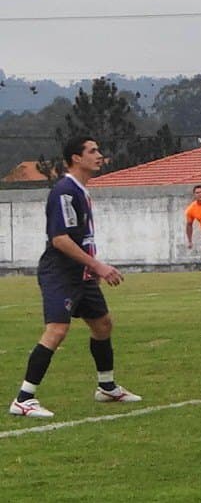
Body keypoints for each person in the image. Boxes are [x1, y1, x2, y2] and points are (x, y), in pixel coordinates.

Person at [10, 136, 139, 419]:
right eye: (92, 151)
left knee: (102, 324)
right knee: (57, 330)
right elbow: (60, 239)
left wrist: (91, 267)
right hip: (61, 273)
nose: (99, 155)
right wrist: (99, 265)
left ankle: (106, 387)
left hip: (81, 273)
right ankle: (23, 399)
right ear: (76, 158)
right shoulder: (65, 191)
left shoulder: (81, 191)